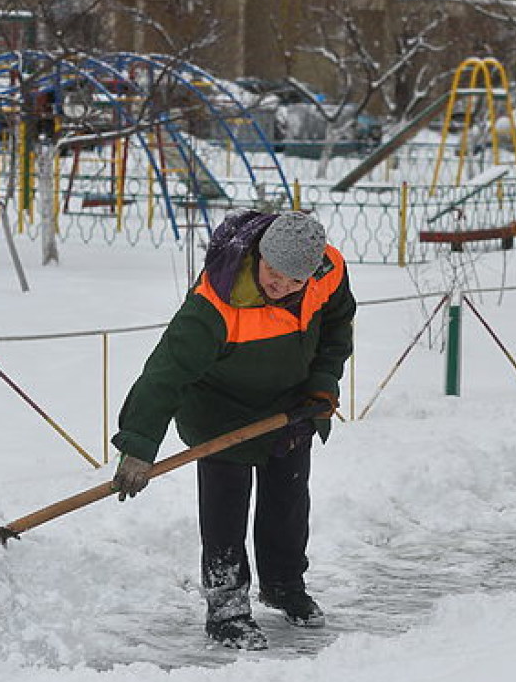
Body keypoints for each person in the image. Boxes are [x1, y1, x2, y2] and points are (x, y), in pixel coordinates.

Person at [110, 209, 355, 650]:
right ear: (259, 254)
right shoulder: (215, 303)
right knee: (226, 510)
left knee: (288, 500)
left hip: (291, 405)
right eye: (273, 273)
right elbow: (166, 373)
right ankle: (226, 608)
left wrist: (322, 385)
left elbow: (338, 327)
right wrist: (139, 444)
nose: (280, 286)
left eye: (293, 281)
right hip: (220, 411)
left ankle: (283, 585)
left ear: (312, 272)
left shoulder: (328, 271)